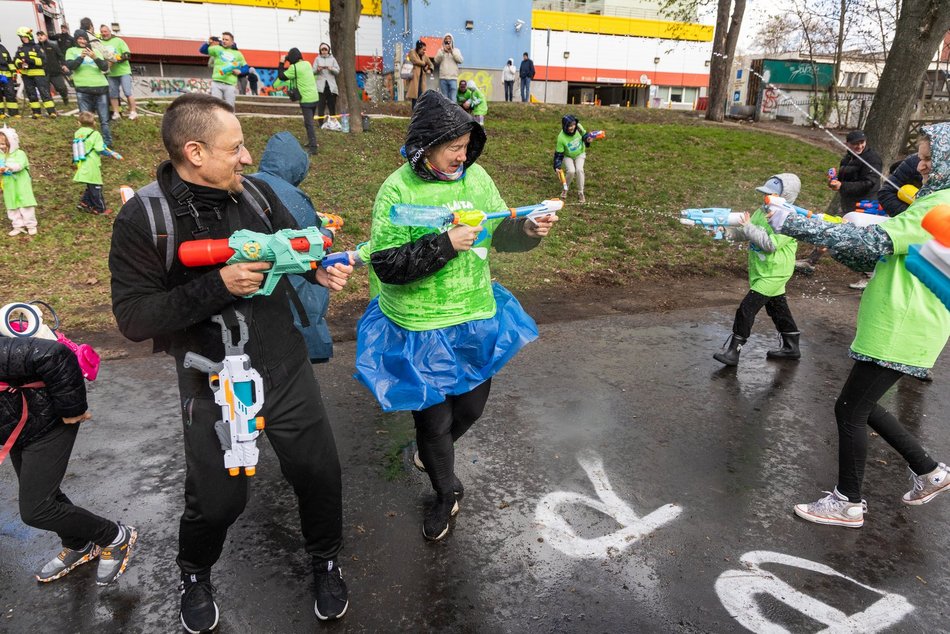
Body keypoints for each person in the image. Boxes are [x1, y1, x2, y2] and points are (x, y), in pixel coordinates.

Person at [108, 93, 353, 632]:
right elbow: (133, 318)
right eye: (236, 148)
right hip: (210, 379)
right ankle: (194, 572)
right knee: (217, 499)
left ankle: (327, 560)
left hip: (285, 365)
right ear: (194, 152)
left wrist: (318, 272)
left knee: (318, 474)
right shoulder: (146, 217)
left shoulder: (259, 193)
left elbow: (299, 253)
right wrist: (215, 286)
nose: (247, 158)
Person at [354, 90, 558, 541]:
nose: (462, 157)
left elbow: (499, 232)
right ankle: (445, 493)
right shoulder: (397, 189)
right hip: (419, 326)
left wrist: (526, 229)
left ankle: (432, 454)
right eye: (454, 148)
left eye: (467, 147)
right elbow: (386, 263)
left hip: (474, 315)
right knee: (434, 421)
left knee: (471, 406)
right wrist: (445, 245)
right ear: (425, 145)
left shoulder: (477, 178)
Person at [764, 122, 950, 529]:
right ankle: (929, 471)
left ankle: (847, 502)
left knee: (849, 409)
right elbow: (877, 258)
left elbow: (874, 245)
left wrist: (792, 222)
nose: (920, 165)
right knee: (864, 406)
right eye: (920, 156)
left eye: (928, 158)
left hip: (902, 324)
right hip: (906, 323)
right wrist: (835, 229)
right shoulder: (936, 203)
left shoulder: (941, 205)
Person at [1, 335, 137, 586]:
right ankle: (79, 544)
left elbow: (54, 354)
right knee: (42, 495)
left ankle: (114, 536)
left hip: (51, 421)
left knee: (36, 511)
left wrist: (72, 410)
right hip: (19, 424)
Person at [247, 131, 334, 362]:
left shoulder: (249, 183)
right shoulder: (292, 195)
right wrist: (327, 233)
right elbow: (310, 243)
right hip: (291, 291)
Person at [713, 174, 803, 366]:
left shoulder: (791, 220)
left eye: (770, 195)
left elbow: (769, 244)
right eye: (765, 194)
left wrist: (748, 227)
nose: (765, 198)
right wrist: (724, 232)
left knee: (746, 309)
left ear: (784, 197)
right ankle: (791, 346)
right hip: (762, 270)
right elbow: (744, 232)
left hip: (775, 273)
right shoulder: (761, 212)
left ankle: (733, 352)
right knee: (777, 308)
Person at [797, 130, 883, 279]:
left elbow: (869, 183)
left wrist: (842, 186)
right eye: (855, 144)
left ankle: (869, 276)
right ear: (847, 144)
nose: (859, 146)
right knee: (831, 228)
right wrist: (834, 183)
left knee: (863, 240)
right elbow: (844, 180)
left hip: (865, 206)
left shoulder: (872, 159)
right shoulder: (847, 158)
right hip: (847, 203)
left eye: (862, 142)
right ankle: (810, 262)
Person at [65, 30, 113, 148]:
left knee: (104, 120)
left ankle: (107, 143)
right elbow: (71, 66)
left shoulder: (95, 51)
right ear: (75, 40)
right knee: (86, 120)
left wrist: (95, 57)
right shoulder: (71, 51)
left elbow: (104, 67)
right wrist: (81, 57)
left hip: (100, 87)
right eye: (79, 39)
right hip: (83, 89)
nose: (82, 41)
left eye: (84, 39)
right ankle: (88, 142)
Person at [73, 111, 118, 215]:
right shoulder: (95, 134)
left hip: (82, 163)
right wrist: (111, 154)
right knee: (96, 187)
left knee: (90, 185)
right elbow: (99, 149)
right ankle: (99, 208)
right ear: (94, 123)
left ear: (79, 123)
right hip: (92, 164)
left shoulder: (78, 133)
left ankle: (84, 203)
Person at [277, 47, 319, 155]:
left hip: (306, 99)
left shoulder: (294, 68)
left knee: (309, 123)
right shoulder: (307, 64)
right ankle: (311, 141)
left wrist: (282, 62)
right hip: (315, 97)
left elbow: (281, 76)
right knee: (308, 122)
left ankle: (313, 147)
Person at [1, 127, 39, 235]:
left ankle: (30, 224)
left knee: (25, 203)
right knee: (11, 203)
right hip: (9, 184)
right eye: (0, 144)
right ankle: (17, 225)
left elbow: (20, 165)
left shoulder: (20, 153)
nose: (2, 147)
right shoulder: (0, 155)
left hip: (21, 183)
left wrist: (9, 167)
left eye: (4, 144)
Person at [14, 27, 57, 118]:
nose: (23, 39)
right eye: (21, 37)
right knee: (31, 94)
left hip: (39, 74)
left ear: (29, 36)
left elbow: (43, 61)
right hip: (27, 75)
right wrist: (20, 64)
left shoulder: (37, 47)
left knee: (44, 93)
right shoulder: (20, 48)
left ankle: (51, 112)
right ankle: (36, 112)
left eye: (25, 37)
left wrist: (31, 61)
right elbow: (15, 60)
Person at [99, 25, 137, 120]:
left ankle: (133, 111)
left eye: (105, 31)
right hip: (111, 73)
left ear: (110, 31)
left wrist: (116, 59)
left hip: (123, 71)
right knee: (113, 94)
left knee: (127, 92)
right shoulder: (100, 43)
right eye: (102, 32)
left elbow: (127, 54)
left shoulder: (118, 41)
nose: (104, 33)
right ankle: (116, 113)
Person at [199, 32, 247, 107]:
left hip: (230, 85)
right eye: (223, 39)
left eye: (227, 40)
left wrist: (240, 71)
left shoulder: (238, 54)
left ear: (232, 42)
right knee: (215, 106)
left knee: (230, 107)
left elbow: (246, 67)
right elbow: (202, 50)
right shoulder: (217, 48)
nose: (224, 41)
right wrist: (208, 42)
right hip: (216, 83)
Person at [553, 114, 590, 204]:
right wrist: (557, 166)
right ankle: (565, 188)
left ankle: (581, 192)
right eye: (569, 126)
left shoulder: (579, 127)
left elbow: (585, 135)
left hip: (580, 153)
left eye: (573, 125)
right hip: (567, 155)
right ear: (565, 126)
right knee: (571, 171)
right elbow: (559, 154)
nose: (572, 127)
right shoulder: (561, 138)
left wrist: (587, 139)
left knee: (579, 170)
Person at [36, 31, 69, 106]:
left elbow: (60, 56)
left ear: (45, 36)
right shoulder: (36, 48)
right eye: (38, 35)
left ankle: (65, 97)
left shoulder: (53, 45)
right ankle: (51, 106)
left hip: (55, 71)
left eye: (41, 35)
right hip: (43, 73)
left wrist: (64, 64)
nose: (40, 37)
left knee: (61, 88)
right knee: (46, 91)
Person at [433, 33, 463, 102]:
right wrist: (443, 51)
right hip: (443, 78)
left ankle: (453, 113)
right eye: (446, 40)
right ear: (443, 41)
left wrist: (452, 52)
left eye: (449, 40)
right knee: (444, 98)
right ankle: (445, 113)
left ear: (452, 41)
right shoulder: (440, 51)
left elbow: (460, 60)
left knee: (453, 98)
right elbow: (436, 60)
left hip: (453, 78)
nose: (448, 41)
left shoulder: (456, 50)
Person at [313, 43, 340, 119]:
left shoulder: (333, 59)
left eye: (326, 50)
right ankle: (321, 123)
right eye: (322, 50)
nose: (324, 51)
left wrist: (332, 69)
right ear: (320, 51)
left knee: (332, 107)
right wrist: (317, 70)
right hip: (320, 88)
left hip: (331, 88)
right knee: (321, 107)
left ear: (328, 51)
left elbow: (338, 71)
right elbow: (312, 71)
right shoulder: (317, 59)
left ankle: (333, 123)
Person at [404, 40, 432, 109]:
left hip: (422, 79)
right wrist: (424, 64)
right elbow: (415, 60)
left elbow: (431, 64)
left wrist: (430, 69)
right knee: (414, 97)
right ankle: (414, 113)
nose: (424, 51)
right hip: (414, 79)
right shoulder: (412, 52)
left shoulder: (424, 56)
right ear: (419, 48)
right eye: (423, 49)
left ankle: (419, 114)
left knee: (421, 97)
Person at [0, 36, 19, 118]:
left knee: (10, 93)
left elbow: (9, 61)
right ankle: (1, 113)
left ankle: (14, 113)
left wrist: (14, 71)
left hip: (6, 75)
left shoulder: (3, 48)